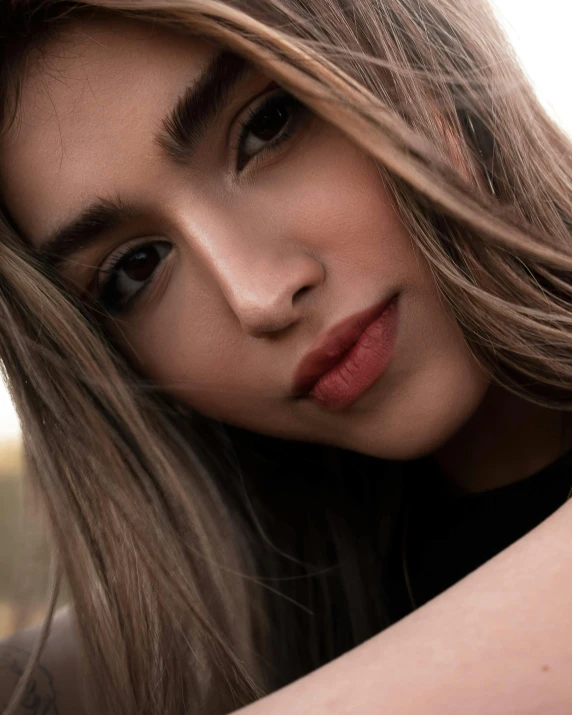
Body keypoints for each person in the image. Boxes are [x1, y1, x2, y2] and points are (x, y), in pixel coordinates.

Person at [1, 0, 572, 712]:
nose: (258, 298)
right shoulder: (253, 627)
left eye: (266, 126)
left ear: (419, 44)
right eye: (136, 267)